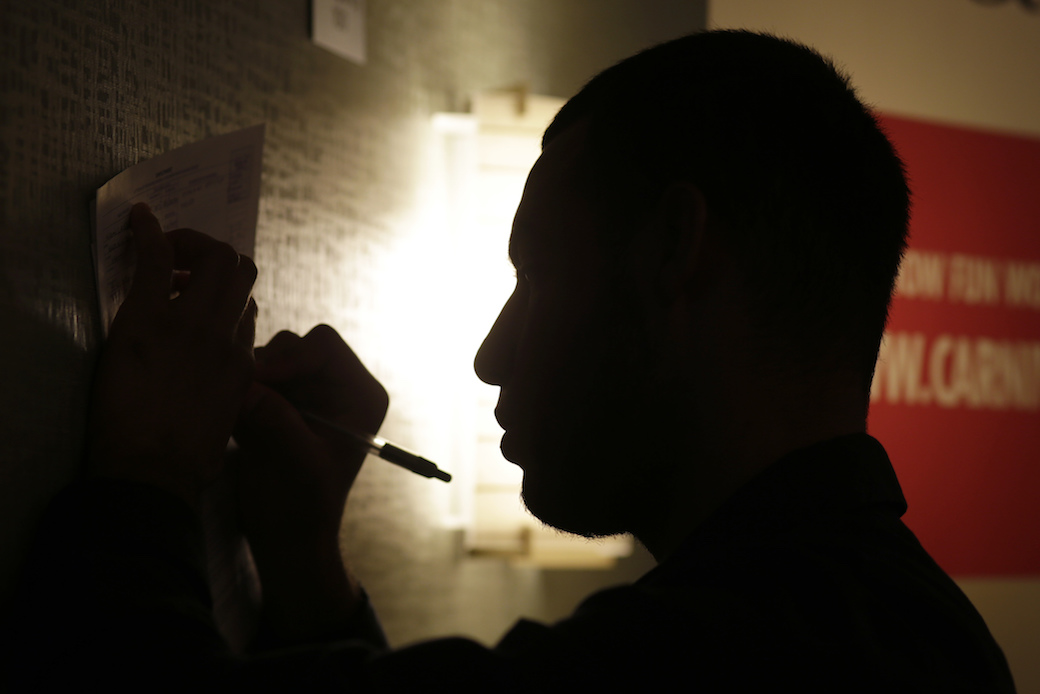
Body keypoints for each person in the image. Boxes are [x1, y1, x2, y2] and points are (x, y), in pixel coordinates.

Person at [4, 30, 1016, 692]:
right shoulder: (910, 631)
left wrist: (144, 477)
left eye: (533, 275)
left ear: (672, 253)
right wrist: (308, 566)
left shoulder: (721, 661)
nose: (490, 355)